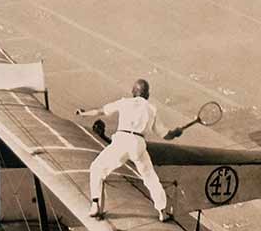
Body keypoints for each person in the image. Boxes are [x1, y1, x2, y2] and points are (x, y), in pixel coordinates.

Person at [76, 79, 183, 222]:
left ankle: (95, 205)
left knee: (96, 168)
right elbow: (166, 135)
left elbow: (101, 111)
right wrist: (176, 133)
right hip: (138, 143)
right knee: (150, 178)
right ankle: (162, 211)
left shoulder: (124, 102)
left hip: (121, 140)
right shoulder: (152, 109)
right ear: (148, 94)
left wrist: (84, 114)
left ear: (133, 92)